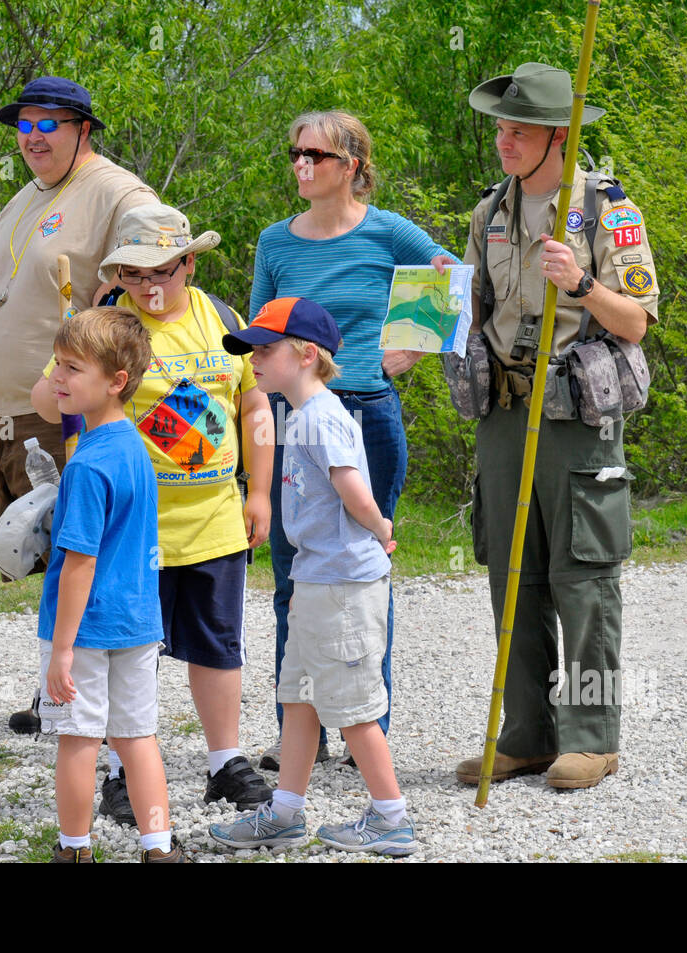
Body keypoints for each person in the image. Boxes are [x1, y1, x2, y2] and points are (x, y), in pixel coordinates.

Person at [33, 205, 276, 820]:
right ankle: (119, 767)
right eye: (135, 274)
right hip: (132, 530)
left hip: (215, 517)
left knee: (218, 645)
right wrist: (70, 344)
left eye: (162, 271)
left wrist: (260, 492)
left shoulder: (222, 319)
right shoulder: (107, 329)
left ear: (189, 263)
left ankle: (225, 762)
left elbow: (253, 410)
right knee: (126, 646)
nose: (149, 286)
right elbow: (46, 397)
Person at [454, 63, 659, 790]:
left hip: (576, 412)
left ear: (558, 136)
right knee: (514, 575)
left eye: (518, 130)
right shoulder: (489, 213)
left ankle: (593, 738)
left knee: (584, 574)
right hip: (506, 411)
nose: (503, 141)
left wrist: (582, 284)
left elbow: (636, 323)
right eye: (501, 127)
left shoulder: (606, 209)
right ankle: (529, 734)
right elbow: (469, 311)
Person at [0, 75, 157, 733]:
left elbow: (157, 245)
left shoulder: (114, 191)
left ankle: (69, 685)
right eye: (24, 126)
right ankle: (55, 678)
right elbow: (9, 277)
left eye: (48, 125)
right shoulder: (25, 197)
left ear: (82, 129)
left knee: (72, 547)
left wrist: (108, 316)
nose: (33, 137)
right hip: (6, 408)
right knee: (29, 548)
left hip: (61, 406)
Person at [249, 110, 457, 766]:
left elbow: (451, 275)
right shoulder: (273, 243)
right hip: (291, 425)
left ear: (354, 168)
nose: (302, 164)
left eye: (316, 154)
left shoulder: (387, 229)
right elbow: (257, 341)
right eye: (295, 154)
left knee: (360, 576)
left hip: (366, 415)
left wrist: (415, 345)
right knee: (293, 576)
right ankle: (297, 738)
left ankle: (368, 734)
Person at [210, 298, 415, 856]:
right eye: (252, 350)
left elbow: (352, 489)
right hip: (317, 578)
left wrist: (380, 526)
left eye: (265, 350)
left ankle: (391, 816)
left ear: (305, 354)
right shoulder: (301, 414)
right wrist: (301, 585)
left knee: (351, 707)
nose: (254, 359)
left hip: (343, 584)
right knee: (299, 698)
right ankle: (284, 813)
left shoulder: (323, 417)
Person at [38, 306, 180, 863]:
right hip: (139, 622)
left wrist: (63, 651)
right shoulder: (136, 449)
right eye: (57, 364)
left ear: (116, 382)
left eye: (73, 368)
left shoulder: (87, 465)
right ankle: (158, 847)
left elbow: (79, 564)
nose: (57, 379)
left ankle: (73, 849)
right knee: (138, 737)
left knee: (78, 739)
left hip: (87, 629)